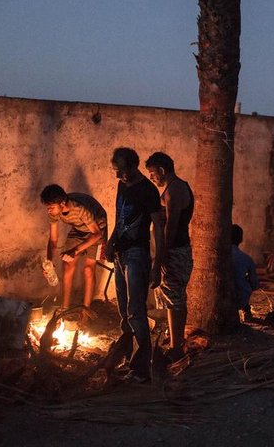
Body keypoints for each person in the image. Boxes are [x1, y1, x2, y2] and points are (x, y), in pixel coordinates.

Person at [107, 147, 164, 383]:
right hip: (121, 254)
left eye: (122, 170)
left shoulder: (148, 191)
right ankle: (130, 359)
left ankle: (142, 370)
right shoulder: (123, 184)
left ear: (134, 166)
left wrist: (156, 264)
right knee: (123, 310)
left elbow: (158, 228)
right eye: (116, 171)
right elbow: (119, 217)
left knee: (136, 311)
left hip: (137, 255)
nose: (119, 175)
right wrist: (111, 241)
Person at [144, 152, 194, 356]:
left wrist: (163, 255)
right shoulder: (173, 188)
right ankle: (176, 342)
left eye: (153, 173)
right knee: (174, 298)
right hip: (173, 251)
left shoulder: (176, 190)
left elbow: (171, 227)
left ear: (162, 170)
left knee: (175, 299)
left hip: (175, 251)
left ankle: (176, 347)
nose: (152, 177)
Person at [39, 184, 108, 314]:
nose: (49, 211)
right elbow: (53, 239)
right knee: (67, 265)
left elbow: (97, 234)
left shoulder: (80, 209)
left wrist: (75, 251)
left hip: (98, 228)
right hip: (79, 229)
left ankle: (85, 311)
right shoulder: (54, 212)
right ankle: (64, 308)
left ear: (63, 203)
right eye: (48, 208)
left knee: (88, 269)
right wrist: (49, 261)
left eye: (51, 207)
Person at [230, 224, 260, 322]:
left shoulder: (219, 257)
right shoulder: (246, 259)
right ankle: (246, 312)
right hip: (240, 299)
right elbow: (255, 285)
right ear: (241, 239)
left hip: (221, 297)